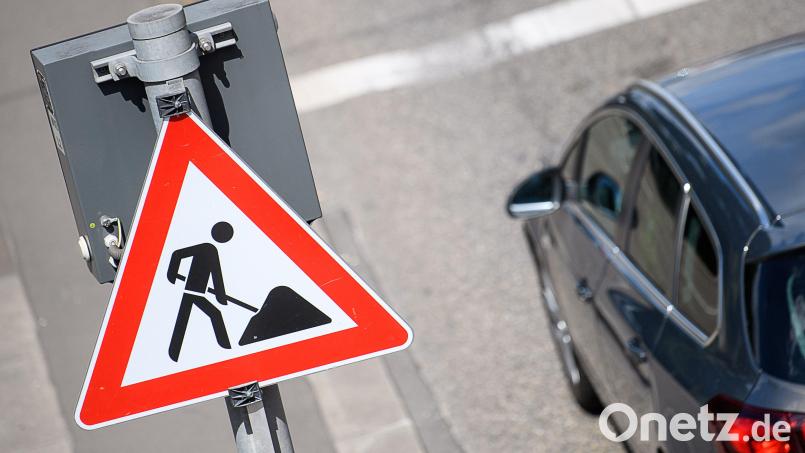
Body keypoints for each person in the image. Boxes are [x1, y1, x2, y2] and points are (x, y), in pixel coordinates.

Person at [166, 221, 234, 362]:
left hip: (197, 293)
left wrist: (220, 296)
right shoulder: (206, 248)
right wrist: (171, 274)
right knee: (213, 315)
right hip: (192, 292)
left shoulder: (211, 250)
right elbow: (178, 254)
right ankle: (229, 350)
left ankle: (173, 353)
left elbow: (216, 276)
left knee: (184, 320)